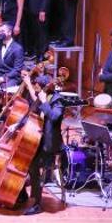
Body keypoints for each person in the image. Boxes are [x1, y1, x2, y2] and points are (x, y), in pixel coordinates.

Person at [21, 73, 64, 215]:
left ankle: (37, 204)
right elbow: (31, 113)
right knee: (24, 162)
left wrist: (44, 102)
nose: (36, 91)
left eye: (38, 88)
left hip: (49, 145)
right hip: (38, 139)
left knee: (34, 167)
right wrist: (16, 125)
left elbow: (54, 117)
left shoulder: (58, 100)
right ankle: (23, 195)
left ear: (46, 89)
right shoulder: (41, 96)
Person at [0, 24, 25, 88]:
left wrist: (3, 78)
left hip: (10, 76)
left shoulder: (17, 48)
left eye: (3, 31)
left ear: (9, 32)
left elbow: (17, 69)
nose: (0, 33)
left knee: (4, 88)